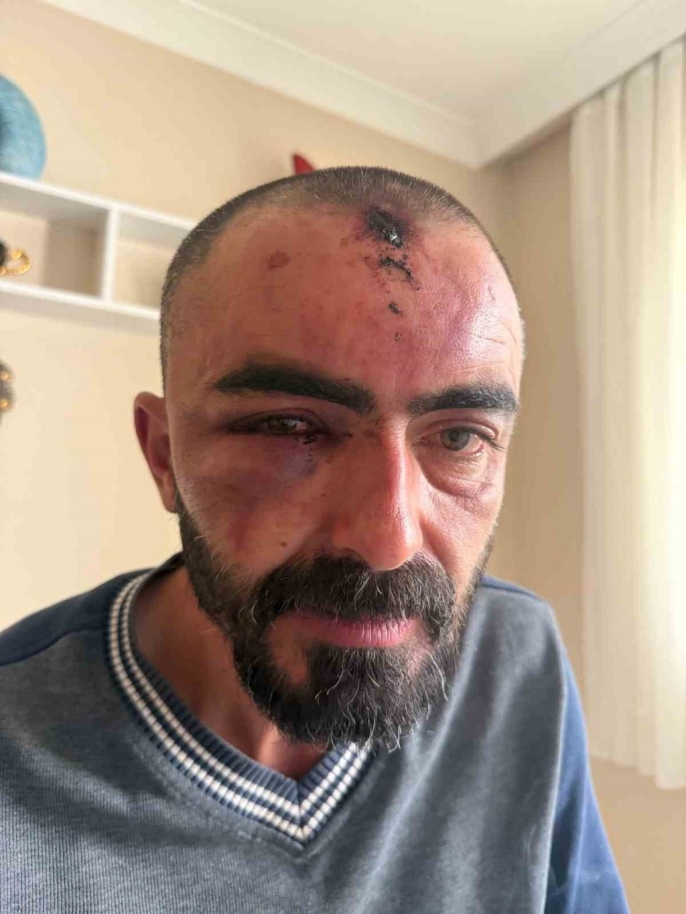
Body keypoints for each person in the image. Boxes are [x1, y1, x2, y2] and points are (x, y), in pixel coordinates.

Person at [0, 167, 629, 912]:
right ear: (164, 455)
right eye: (289, 428)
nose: (390, 542)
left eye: (460, 436)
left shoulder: (516, 655)